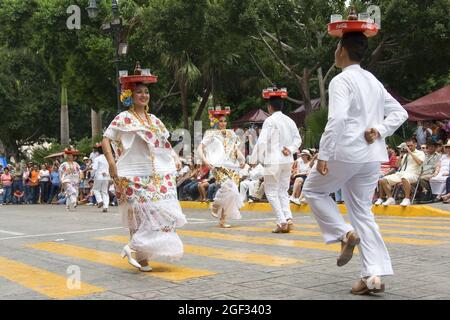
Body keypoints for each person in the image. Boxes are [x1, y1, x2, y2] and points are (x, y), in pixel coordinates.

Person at [302, 31, 408, 295]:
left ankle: (344, 233)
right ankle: (372, 276)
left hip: (346, 152)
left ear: (342, 50)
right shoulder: (373, 80)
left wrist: (323, 154)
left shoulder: (341, 80)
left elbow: (336, 120)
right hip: (371, 155)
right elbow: (400, 112)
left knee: (313, 190)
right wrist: (381, 130)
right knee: (363, 213)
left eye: (337, 47)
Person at [102, 66, 186, 272]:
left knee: (163, 212)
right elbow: (106, 139)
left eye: (146, 92)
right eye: (139, 92)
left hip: (157, 174)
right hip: (131, 173)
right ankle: (142, 257)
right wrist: (112, 163)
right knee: (139, 215)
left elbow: (164, 144)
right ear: (130, 95)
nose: (144, 95)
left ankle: (134, 249)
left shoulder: (154, 120)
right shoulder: (123, 118)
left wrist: (175, 158)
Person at [250, 86, 302, 233]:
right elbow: (298, 140)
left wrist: (254, 159)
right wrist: (290, 149)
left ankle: (281, 221)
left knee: (271, 191)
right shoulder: (290, 121)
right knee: (283, 191)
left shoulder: (270, 121)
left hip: (273, 161)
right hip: (287, 160)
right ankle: (288, 217)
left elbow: (261, 142)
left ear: (269, 107)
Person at [198, 107, 246, 228]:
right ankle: (215, 205)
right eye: (220, 121)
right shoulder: (211, 134)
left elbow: (236, 149)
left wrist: (242, 159)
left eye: (224, 121)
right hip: (218, 166)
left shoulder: (231, 133)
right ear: (216, 122)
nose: (223, 123)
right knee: (228, 187)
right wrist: (205, 161)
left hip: (232, 166)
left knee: (233, 193)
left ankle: (222, 220)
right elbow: (200, 148)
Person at [378, 139, 425, 206]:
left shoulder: (420, 153)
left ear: (415, 145)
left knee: (404, 178)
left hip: (413, 174)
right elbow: (397, 165)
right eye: (408, 146)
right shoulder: (405, 154)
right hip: (401, 173)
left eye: (411, 146)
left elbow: (419, 162)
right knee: (382, 180)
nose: (409, 147)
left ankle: (407, 199)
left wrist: (410, 153)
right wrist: (401, 156)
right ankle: (390, 198)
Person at [91, 145, 111, 212]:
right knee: (105, 191)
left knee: (96, 189)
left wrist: (91, 175)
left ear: (98, 152)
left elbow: (94, 168)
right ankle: (106, 206)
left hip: (99, 176)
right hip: (106, 176)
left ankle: (100, 201)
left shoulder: (97, 158)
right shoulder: (108, 158)